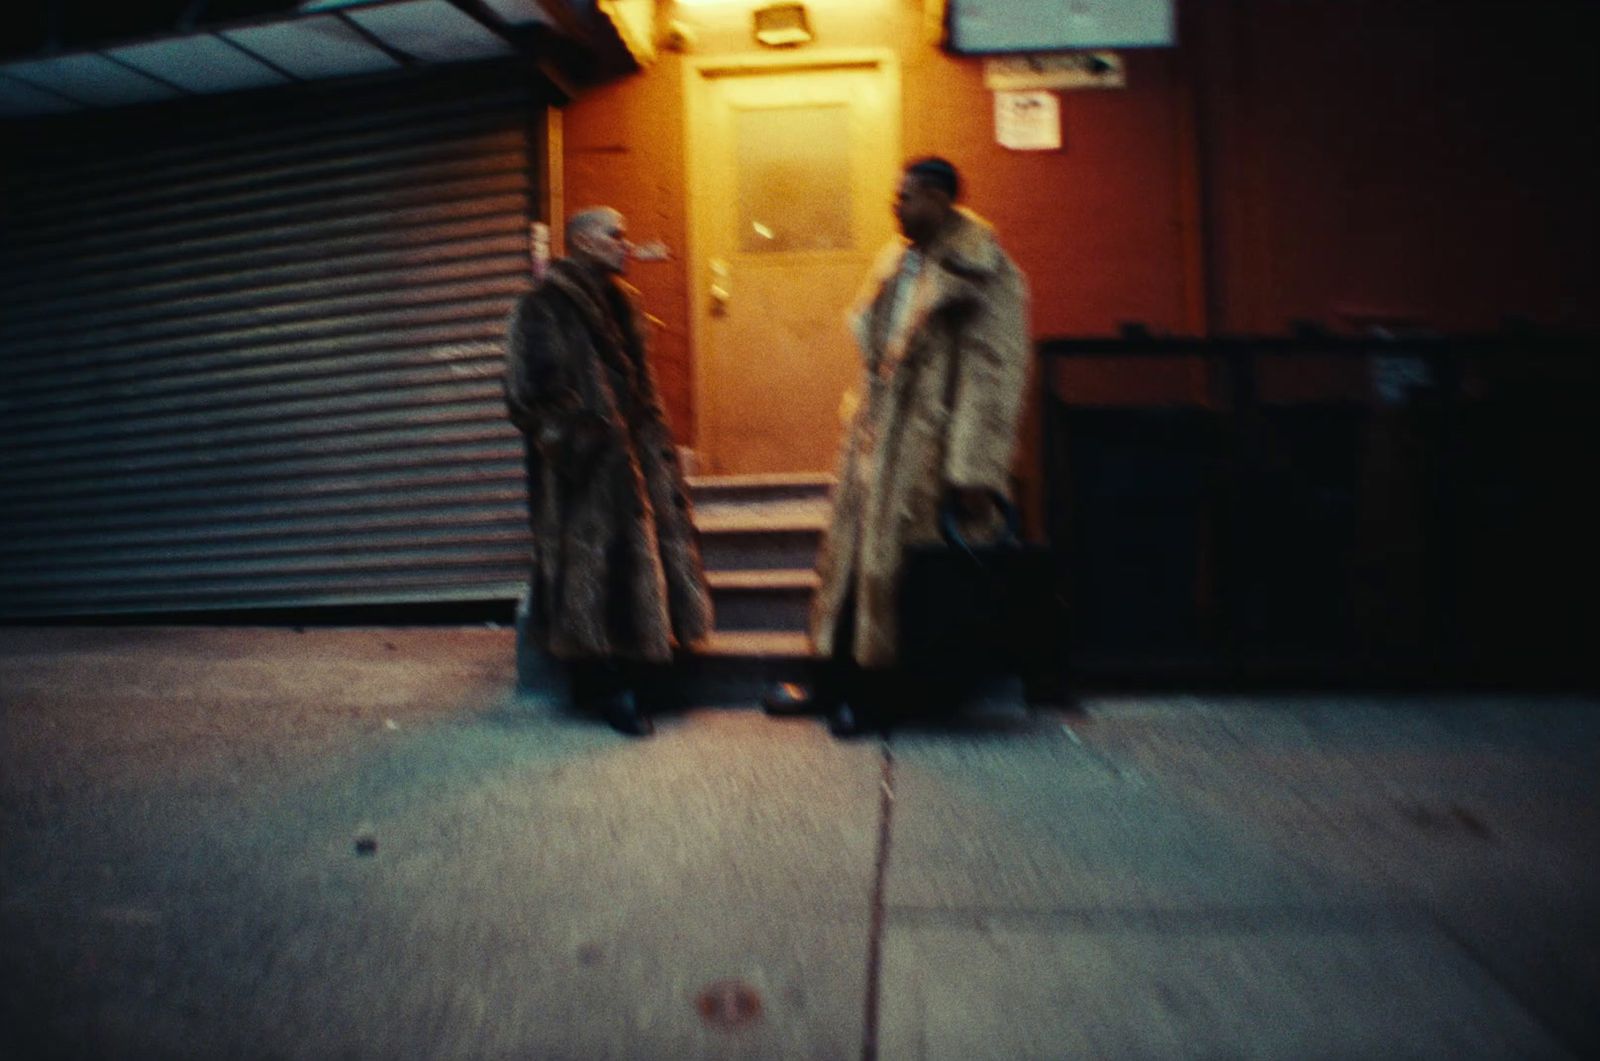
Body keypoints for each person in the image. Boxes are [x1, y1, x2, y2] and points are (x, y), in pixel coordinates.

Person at [766, 157, 1031, 735]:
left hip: (928, 452)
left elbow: (995, 377)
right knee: (850, 564)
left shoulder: (986, 272)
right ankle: (833, 676)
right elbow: (880, 346)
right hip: (875, 440)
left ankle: (880, 693)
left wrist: (973, 472)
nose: (895, 207)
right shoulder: (897, 259)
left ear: (939, 199)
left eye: (904, 197)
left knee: (898, 575)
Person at [505, 207, 712, 736]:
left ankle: (637, 673)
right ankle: (603, 685)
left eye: (625, 232)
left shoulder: (624, 303)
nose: (626, 243)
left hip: (635, 462)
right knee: (591, 572)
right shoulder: (542, 305)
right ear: (580, 241)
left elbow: (637, 386)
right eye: (614, 234)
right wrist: (582, 444)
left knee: (635, 564)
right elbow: (525, 397)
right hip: (584, 473)